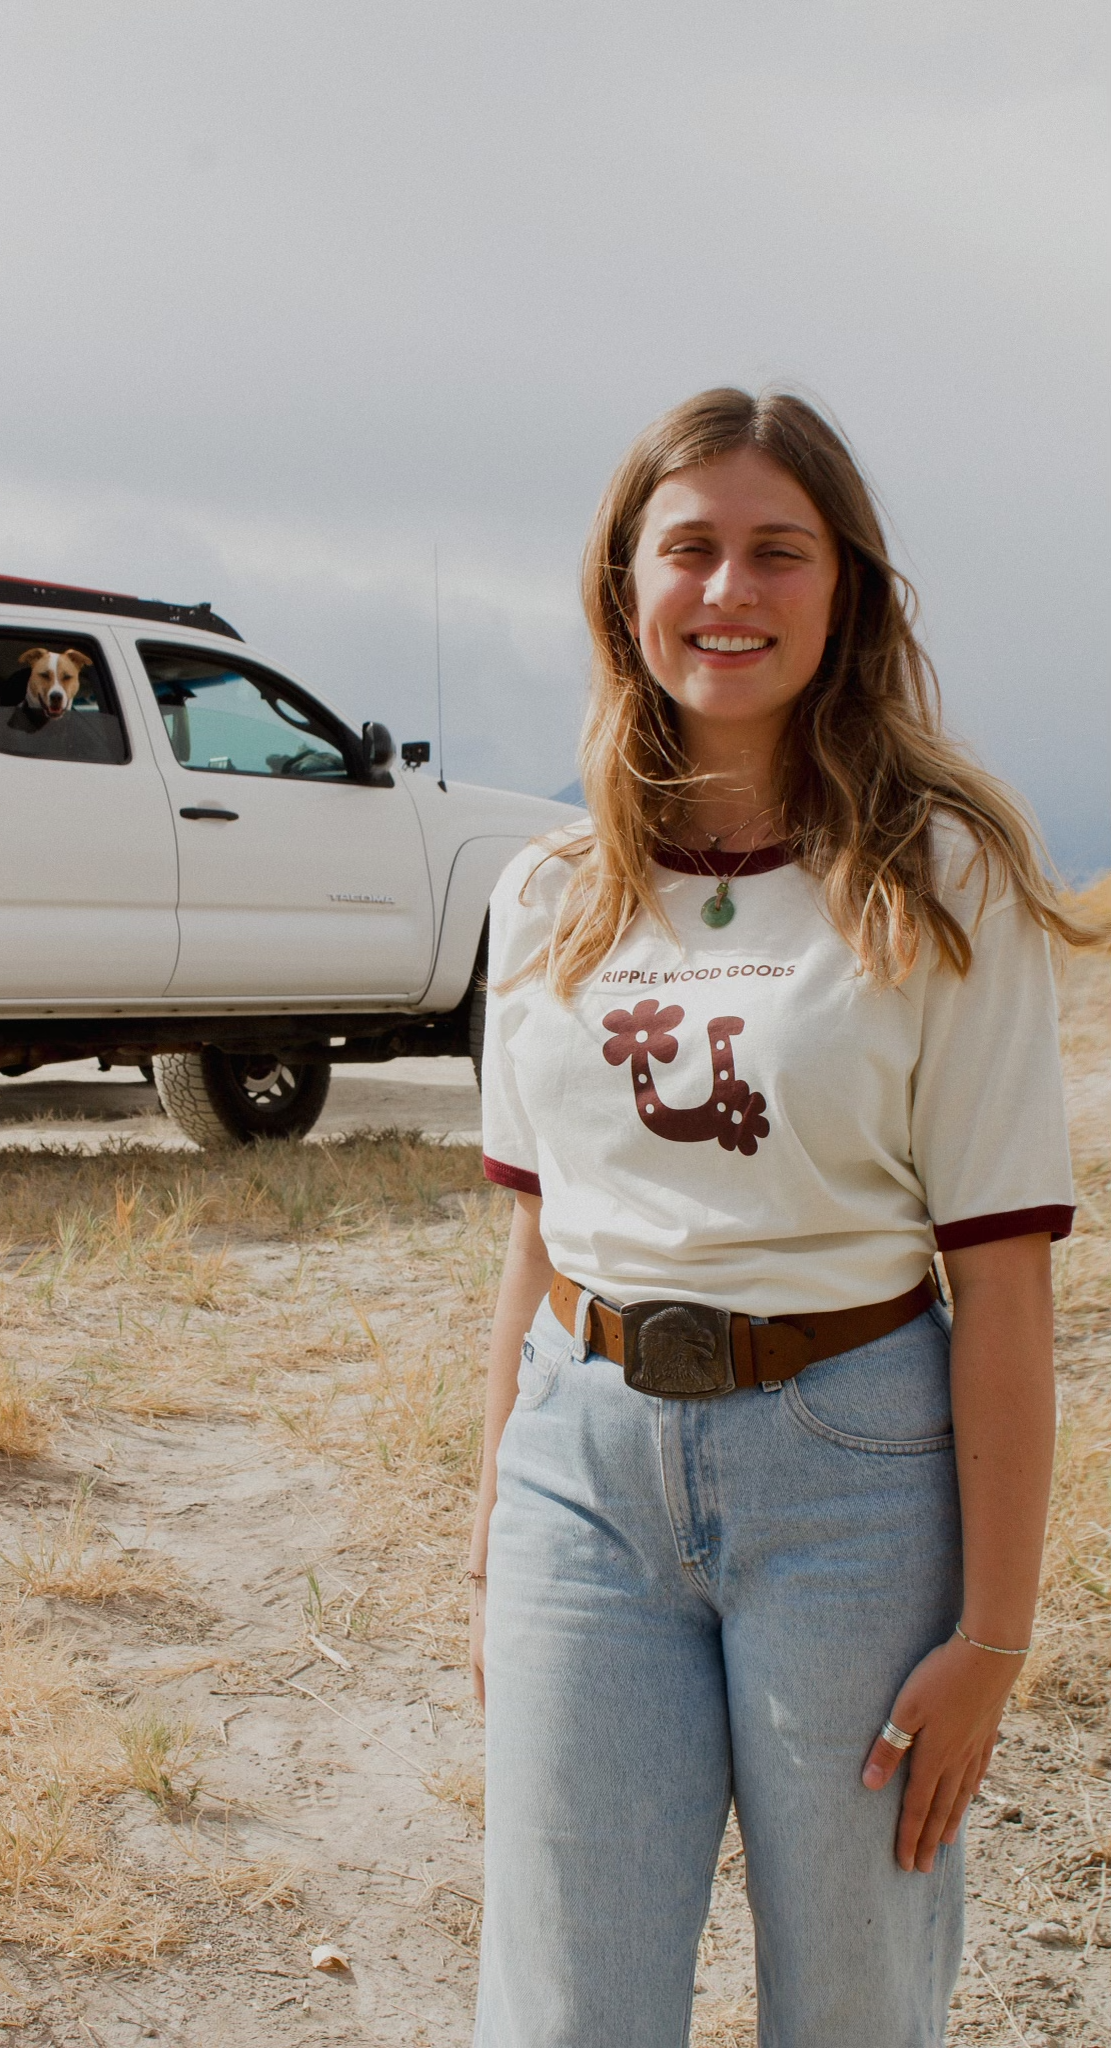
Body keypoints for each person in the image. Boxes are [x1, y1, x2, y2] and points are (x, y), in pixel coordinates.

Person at [468, 388, 1095, 2048]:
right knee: (563, 2005)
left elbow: (1005, 1288)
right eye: (690, 550)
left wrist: (994, 1637)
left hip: (855, 1486)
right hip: (581, 1482)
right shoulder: (546, 895)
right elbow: (535, 1245)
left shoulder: (941, 879)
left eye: (777, 552)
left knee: (854, 2000)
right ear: (626, 587)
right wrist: (493, 1540)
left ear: (847, 593)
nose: (728, 592)